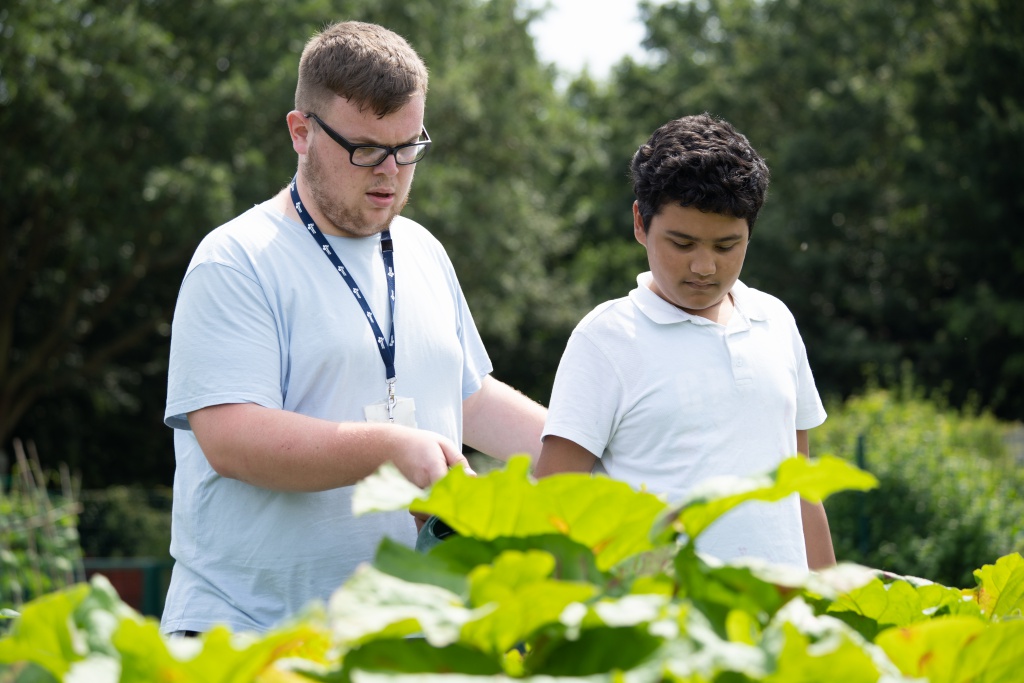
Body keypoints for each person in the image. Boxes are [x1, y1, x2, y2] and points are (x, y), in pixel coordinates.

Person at [161, 21, 546, 635]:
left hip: (405, 644)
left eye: (409, 147)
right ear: (301, 132)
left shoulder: (422, 250)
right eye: (366, 149)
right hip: (252, 640)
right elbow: (230, 438)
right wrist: (392, 449)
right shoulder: (236, 258)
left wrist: (585, 449)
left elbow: (465, 397)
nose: (390, 172)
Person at [535, 113, 836, 571]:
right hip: (661, 630)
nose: (703, 267)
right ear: (641, 222)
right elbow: (553, 503)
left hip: (780, 626)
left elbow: (801, 487)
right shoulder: (606, 339)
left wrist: (832, 610)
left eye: (725, 246)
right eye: (681, 242)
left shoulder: (775, 321)